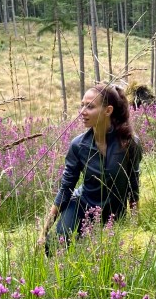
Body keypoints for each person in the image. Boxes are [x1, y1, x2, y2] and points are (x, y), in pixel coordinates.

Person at [41, 82, 142, 249]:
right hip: (82, 205)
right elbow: (66, 189)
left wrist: (135, 223)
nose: (82, 112)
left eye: (90, 106)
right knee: (54, 245)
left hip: (113, 213)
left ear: (108, 111)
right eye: (82, 105)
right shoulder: (78, 145)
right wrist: (44, 232)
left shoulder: (129, 144)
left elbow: (133, 183)